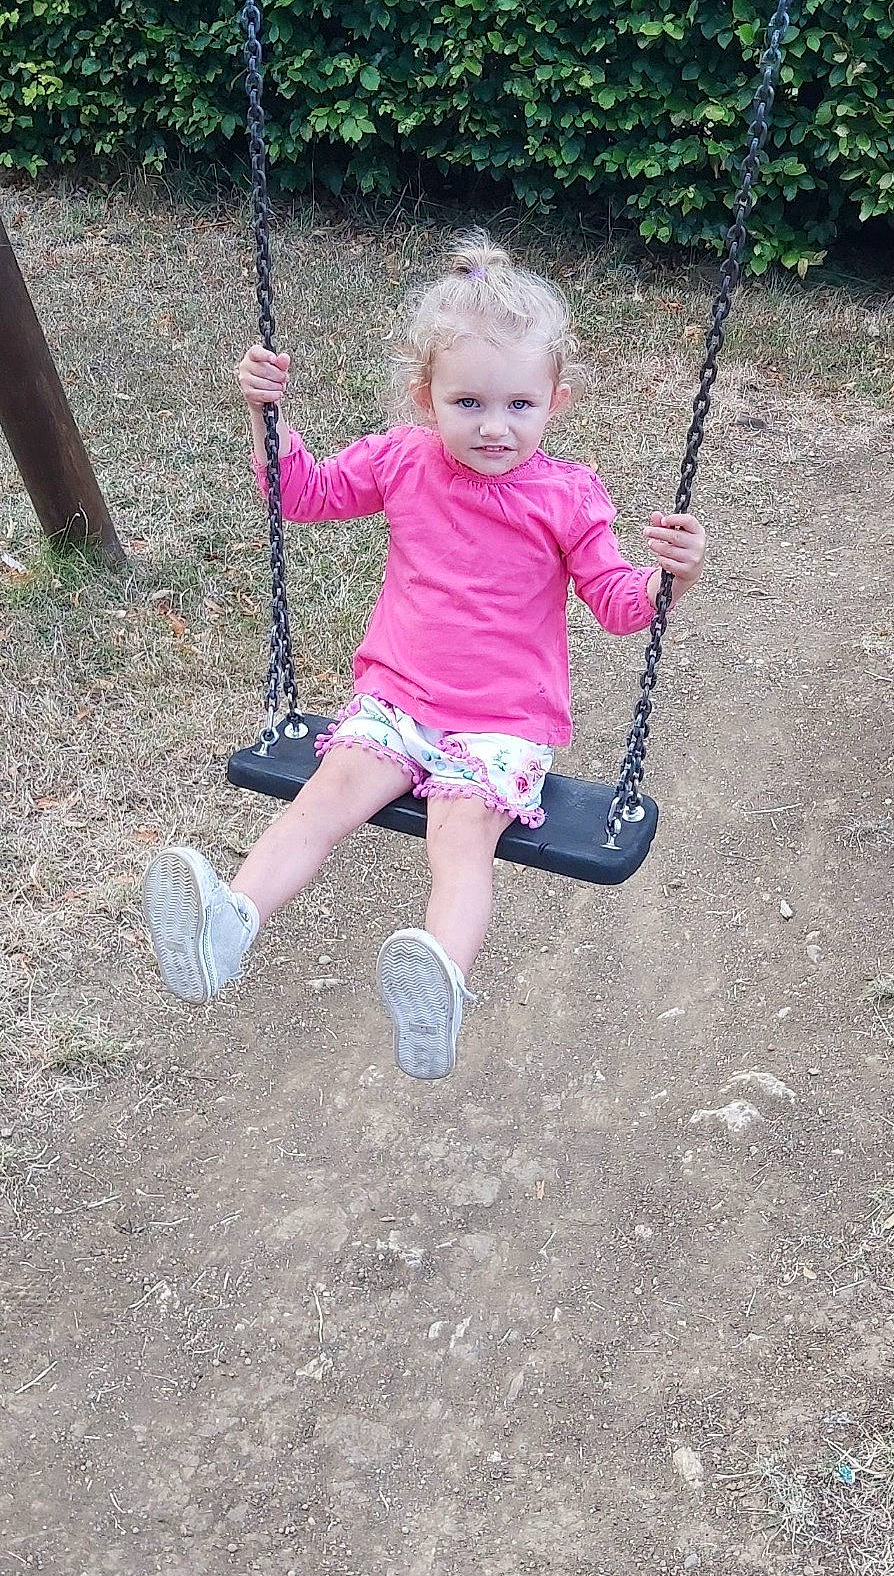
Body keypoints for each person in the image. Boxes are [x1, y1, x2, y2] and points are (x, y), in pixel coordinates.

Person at [142, 233, 705, 1078]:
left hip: (501, 726)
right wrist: (265, 415)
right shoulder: (403, 460)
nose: (493, 426)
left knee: (459, 838)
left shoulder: (567, 497)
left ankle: (437, 987)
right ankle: (229, 927)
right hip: (397, 702)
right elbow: (303, 494)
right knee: (321, 801)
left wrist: (668, 581)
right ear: (425, 398)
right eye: (467, 401)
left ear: (555, 402)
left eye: (519, 405)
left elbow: (619, 606)